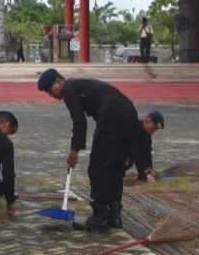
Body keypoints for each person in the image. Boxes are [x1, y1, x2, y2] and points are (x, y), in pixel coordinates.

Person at [37, 68, 139, 232]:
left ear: (59, 81)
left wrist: (74, 152)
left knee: (98, 168)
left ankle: (99, 218)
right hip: (129, 112)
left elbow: (79, 122)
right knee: (115, 168)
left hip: (111, 114)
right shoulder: (80, 86)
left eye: (50, 90)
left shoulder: (69, 88)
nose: (52, 95)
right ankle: (114, 216)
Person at [126, 110, 165, 183]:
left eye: (156, 129)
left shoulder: (146, 136)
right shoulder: (132, 127)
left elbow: (147, 154)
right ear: (147, 120)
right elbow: (133, 151)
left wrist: (149, 169)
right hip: (113, 152)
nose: (154, 131)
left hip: (128, 152)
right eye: (153, 128)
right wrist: (145, 171)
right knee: (128, 161)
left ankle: (142, 177)